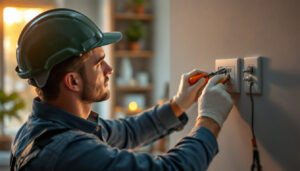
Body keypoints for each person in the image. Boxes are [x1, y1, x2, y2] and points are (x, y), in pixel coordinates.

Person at [10, 8, 233, 171]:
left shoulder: (41, 129)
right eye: (99, 63)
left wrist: (179, 103)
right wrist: (209, 119)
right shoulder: (70, 152)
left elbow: (128, 132)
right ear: (73, 81)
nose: (110, 69)